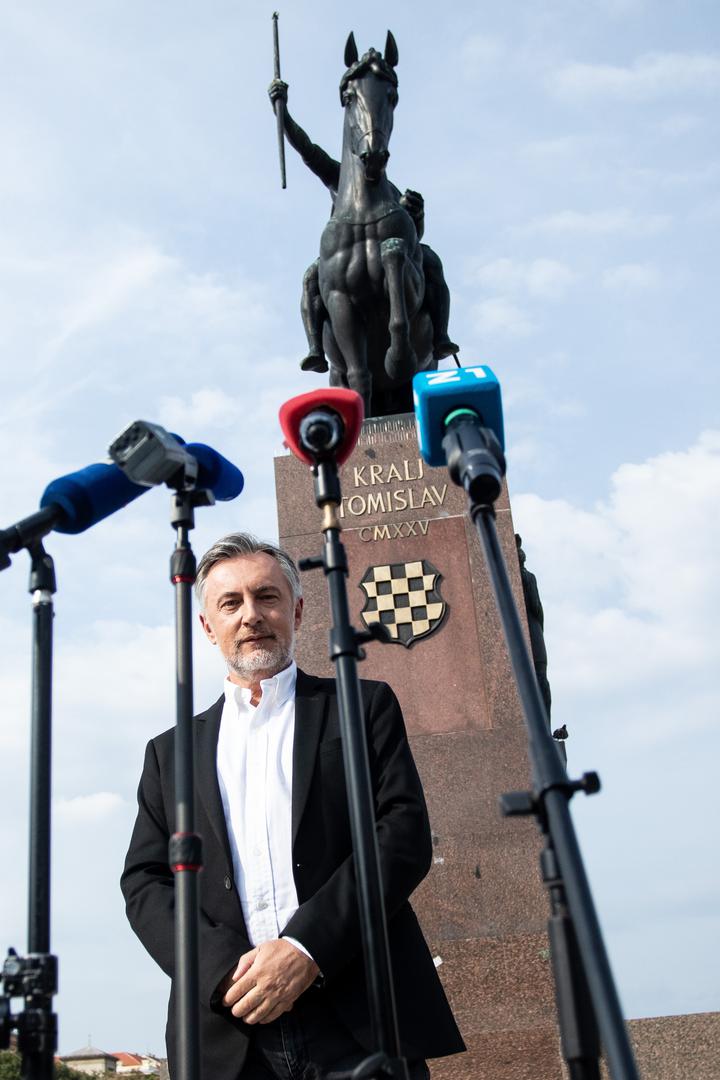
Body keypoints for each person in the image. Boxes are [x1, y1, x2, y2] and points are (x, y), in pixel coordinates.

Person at [121, 532, 464, 1080]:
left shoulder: (362, 707)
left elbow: (401, 835)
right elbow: (145, 883)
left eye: (267, 596)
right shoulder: (169, 754)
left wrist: (306, 949)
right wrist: (222, 972)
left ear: (298, 610)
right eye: (230, 603)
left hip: (358, 1017)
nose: (251, 615)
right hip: (229, 1033)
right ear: (207, 626)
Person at [268, 78, 459, 374]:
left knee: (431, 260)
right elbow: (307, 149)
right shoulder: (339, 178)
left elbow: (413, 239)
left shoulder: (392, 193)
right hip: (345, 256)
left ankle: (441, 337)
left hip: (397, 257)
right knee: (311, 277)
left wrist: (416, 214)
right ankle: (316, 348)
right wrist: (282, 110)